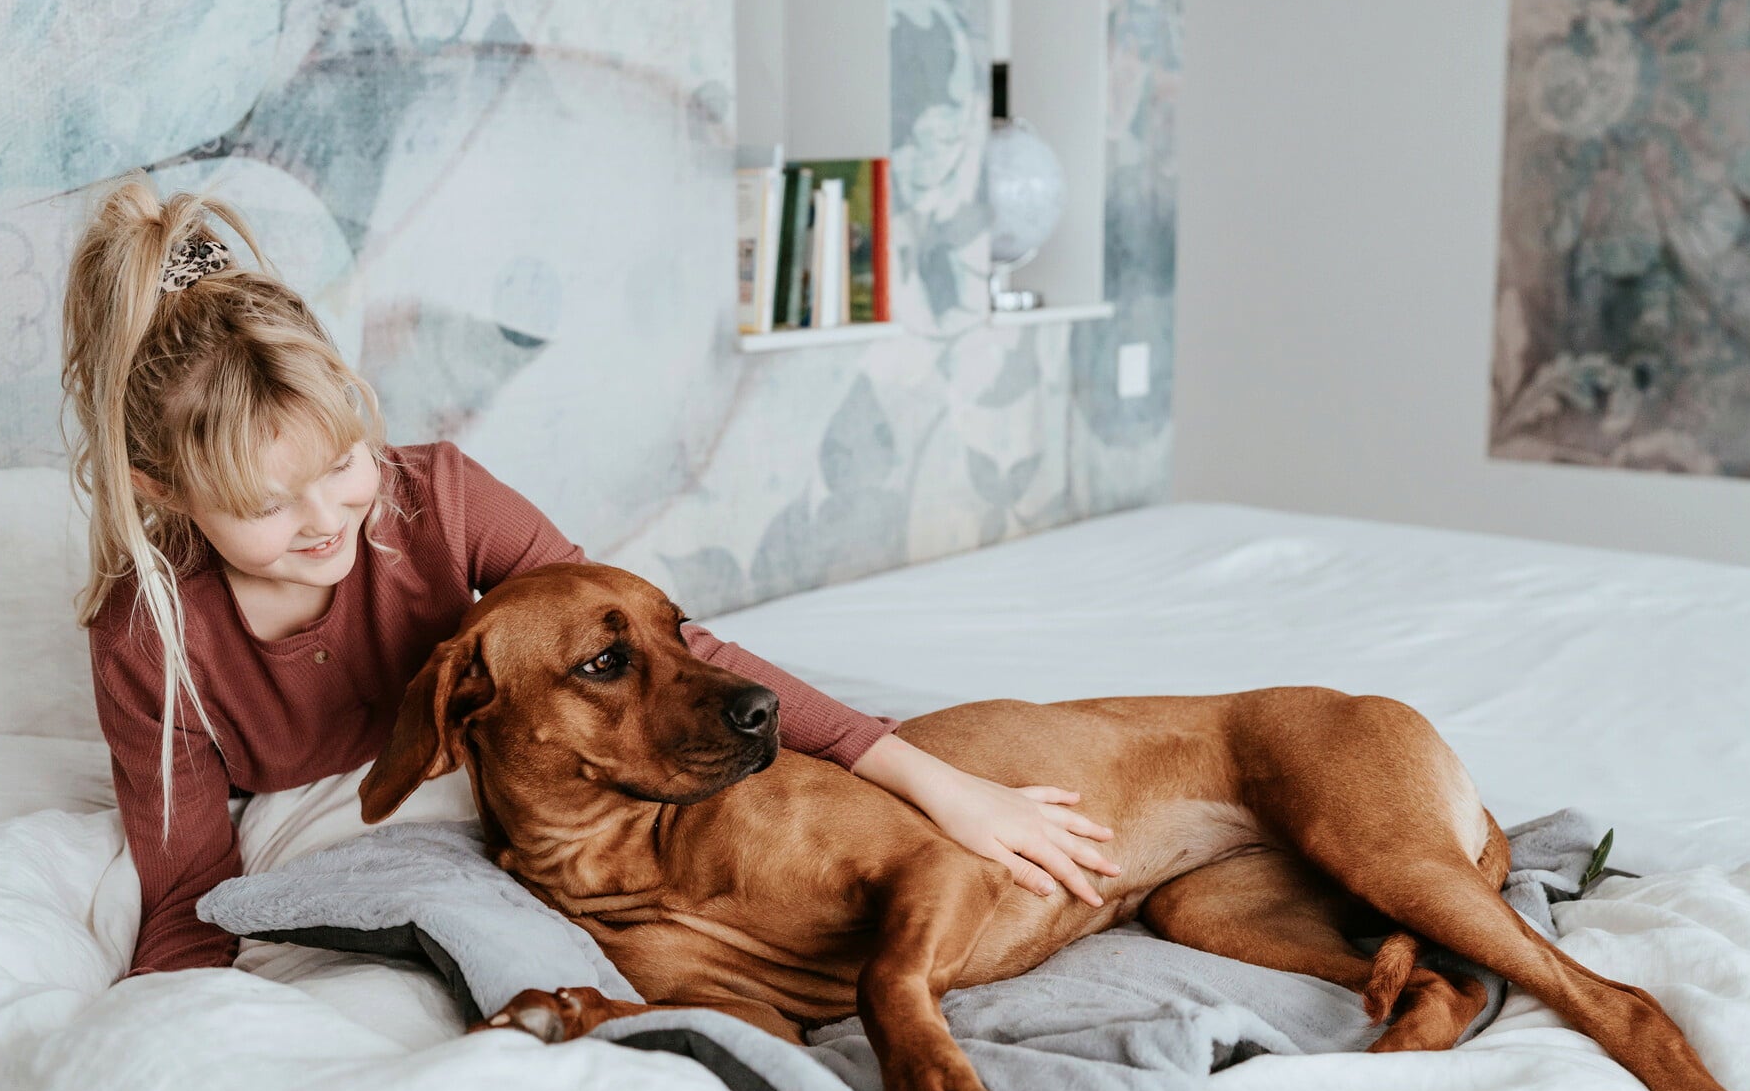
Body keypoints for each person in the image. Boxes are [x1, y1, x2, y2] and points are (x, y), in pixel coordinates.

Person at [59, 172, 1118, 975]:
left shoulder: (438, 496)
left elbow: (664, 644)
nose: (325, 518)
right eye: (265, 504)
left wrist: (936, 783)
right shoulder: (147, 638)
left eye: (342, 463)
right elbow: (188, 884)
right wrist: (181, 1023)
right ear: (162, 490)